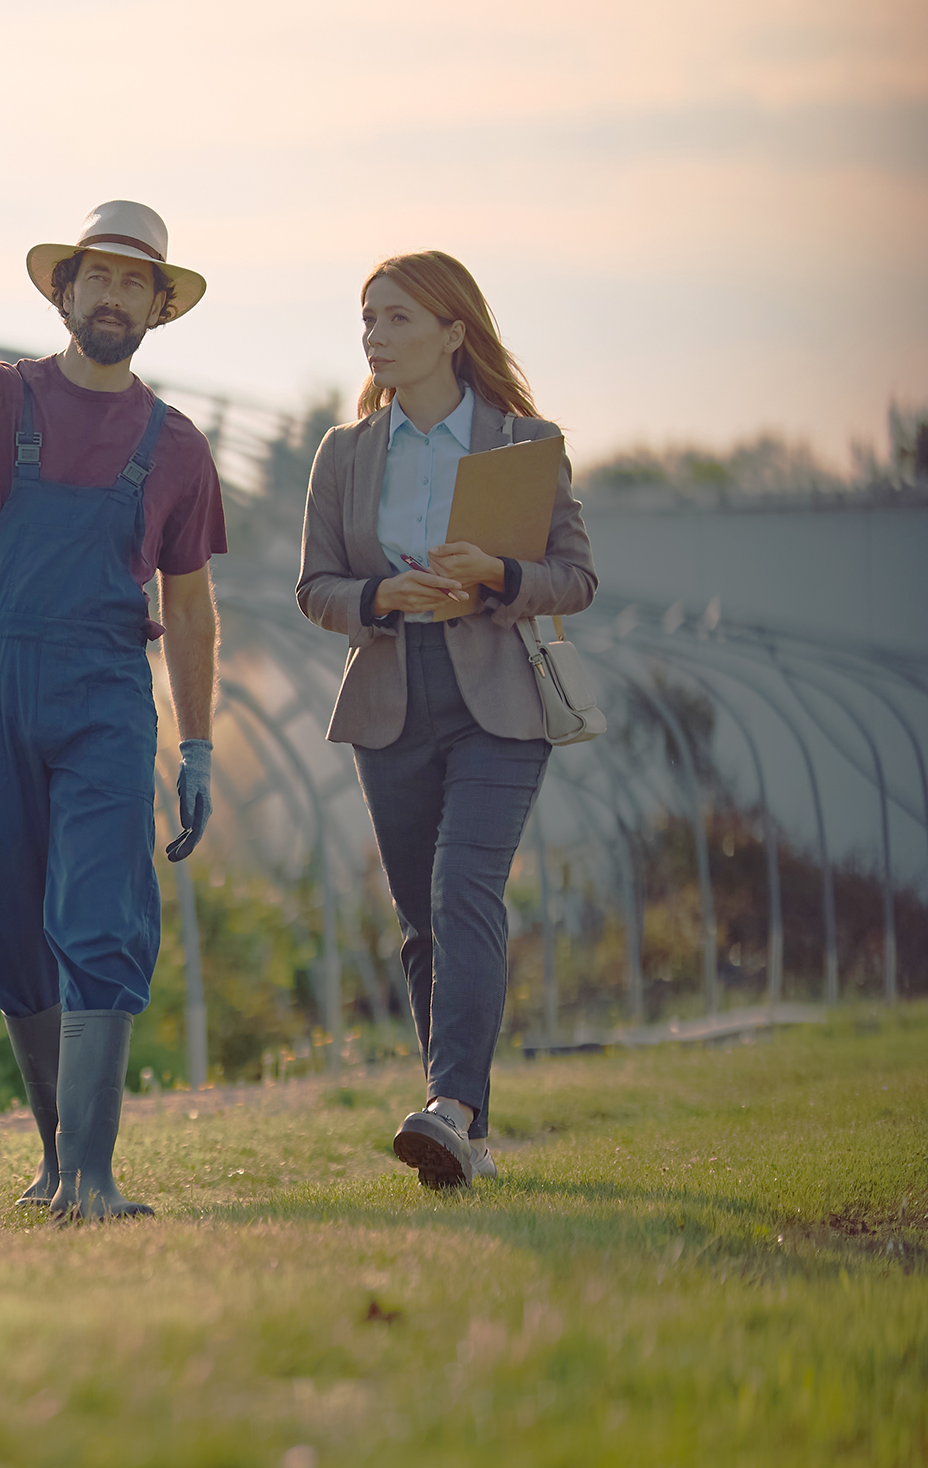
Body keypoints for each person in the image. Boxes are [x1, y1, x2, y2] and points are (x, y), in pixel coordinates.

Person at [0, 201, 225, 1222]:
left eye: (133, 283)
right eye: (95, 276)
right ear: (64, 293)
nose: (112, 296)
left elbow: (192, 608)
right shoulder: (1, 400)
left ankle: (95, 1175)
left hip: (105, 690)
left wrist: (198, 745)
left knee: (100, 919)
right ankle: (55, 1156)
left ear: (157, 308)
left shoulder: (178, 448)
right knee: (13, 927)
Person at [295, 250, 596, 1190]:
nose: (375, 336)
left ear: (453, 333)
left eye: (397, 319)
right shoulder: (345, 453)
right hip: (391, 696)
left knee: (465, 888)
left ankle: (450, 1109)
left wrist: (498, 575)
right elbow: (315, 587)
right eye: (367, 318)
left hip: (497, 697)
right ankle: (464, 1132)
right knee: (423, 918)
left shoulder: (523, 442)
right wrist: (381, 595)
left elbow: (576, 577)